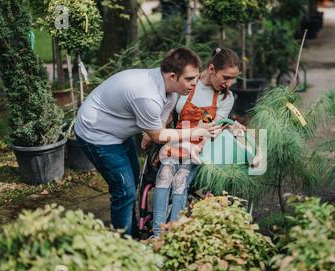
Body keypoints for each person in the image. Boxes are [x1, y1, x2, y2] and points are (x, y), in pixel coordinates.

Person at [74, 48, 214, 238]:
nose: (195, 83)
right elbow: (157, 135)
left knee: (132, 178)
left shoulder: (171, 89)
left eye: (196, 77)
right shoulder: (147, 95)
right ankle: (125, 244)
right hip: (97, 134)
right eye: (190, 79)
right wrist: (196, 131)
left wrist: (150, 137)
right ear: (173, 76)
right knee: (125, 191)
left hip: (117, 133)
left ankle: (130, 230)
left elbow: (159, 125)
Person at [148, 47, 244, 237]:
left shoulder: (226, 98)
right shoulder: (188, 84)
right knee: (165, 174)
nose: (229, 83)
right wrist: (151, 131)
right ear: (211, 69)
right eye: (226, 77)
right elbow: (167, 114)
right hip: (176, 143)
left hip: (202, 149)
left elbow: (211, 129)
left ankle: (175, 234)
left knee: (181, 179)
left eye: (233, 79)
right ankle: (157, 234)